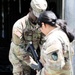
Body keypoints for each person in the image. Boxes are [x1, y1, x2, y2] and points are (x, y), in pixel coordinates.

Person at [24, 11, 74, 75]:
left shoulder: (53, 40)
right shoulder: (61, 34)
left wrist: (40, 73)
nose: (40, 30)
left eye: (40, 28)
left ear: (43, 24)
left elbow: (54, 69)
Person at [8, 0, 47, 75]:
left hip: (34, 58)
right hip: (19, 59)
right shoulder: (19, 25)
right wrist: (33, 64)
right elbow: (18, 49)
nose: (37, 18)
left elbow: (44, 44)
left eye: (39, 16)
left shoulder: (42, 25)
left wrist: (43, 62)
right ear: (30, 10)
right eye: (35, 15)